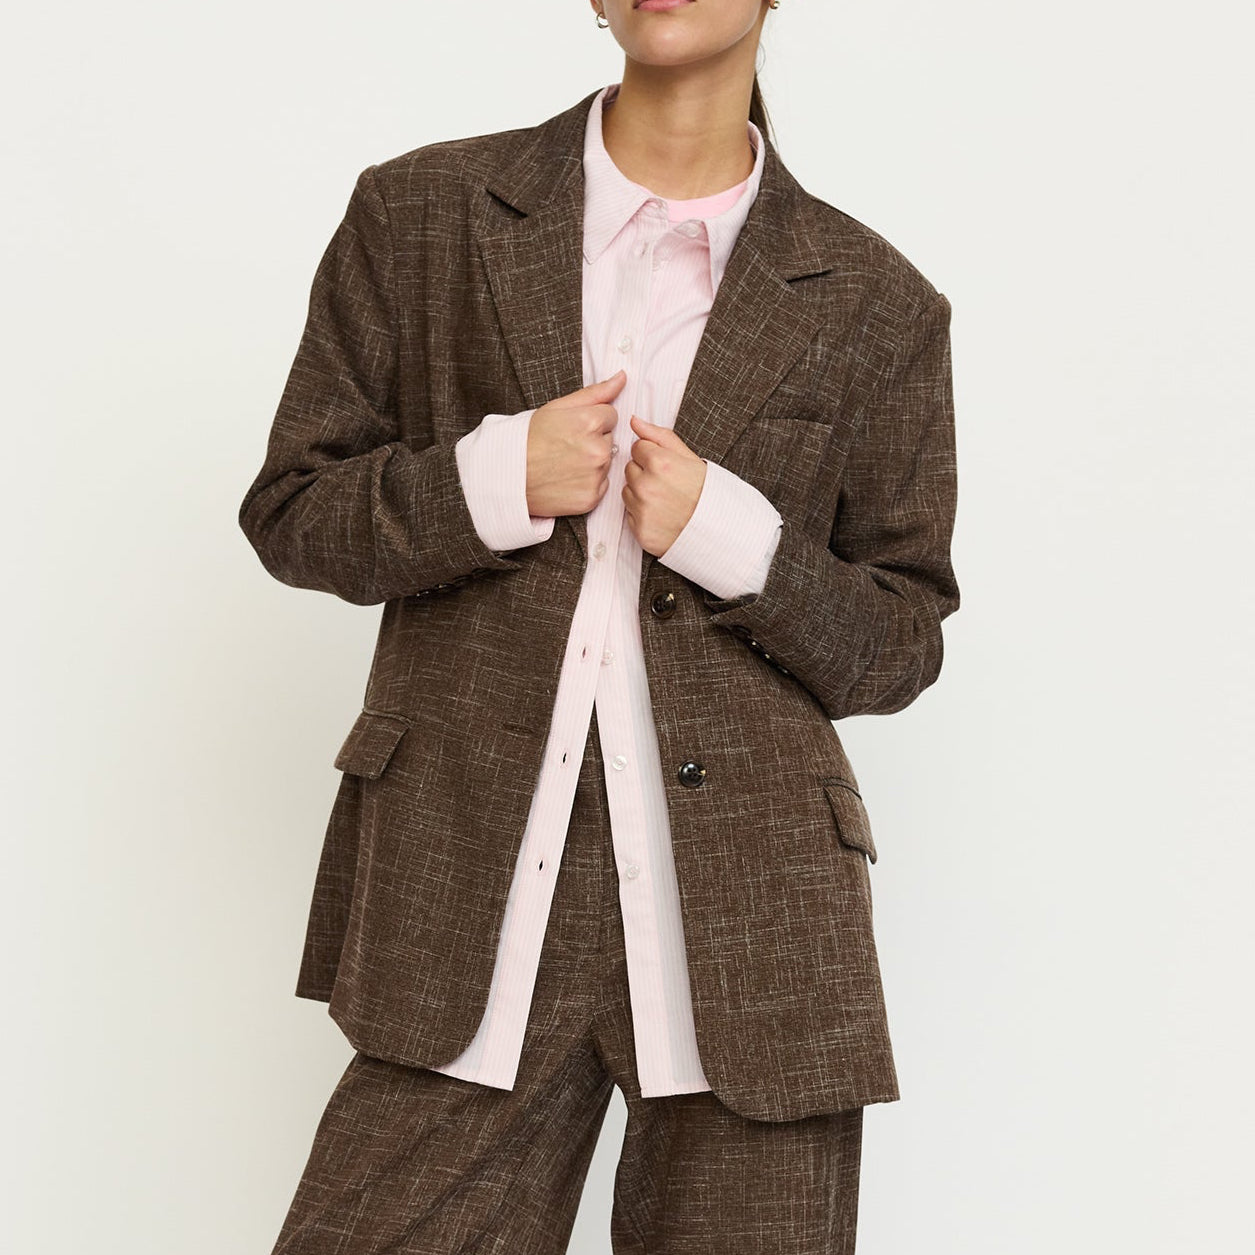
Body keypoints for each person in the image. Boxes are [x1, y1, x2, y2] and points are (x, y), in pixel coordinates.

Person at [239, 2, 960, 1251]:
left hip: (755, 912)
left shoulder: (877, 300)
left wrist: (738, 541)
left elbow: (899, 642)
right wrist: (489, 477)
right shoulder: (423, 214)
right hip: (469, 870)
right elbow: (293, 512)